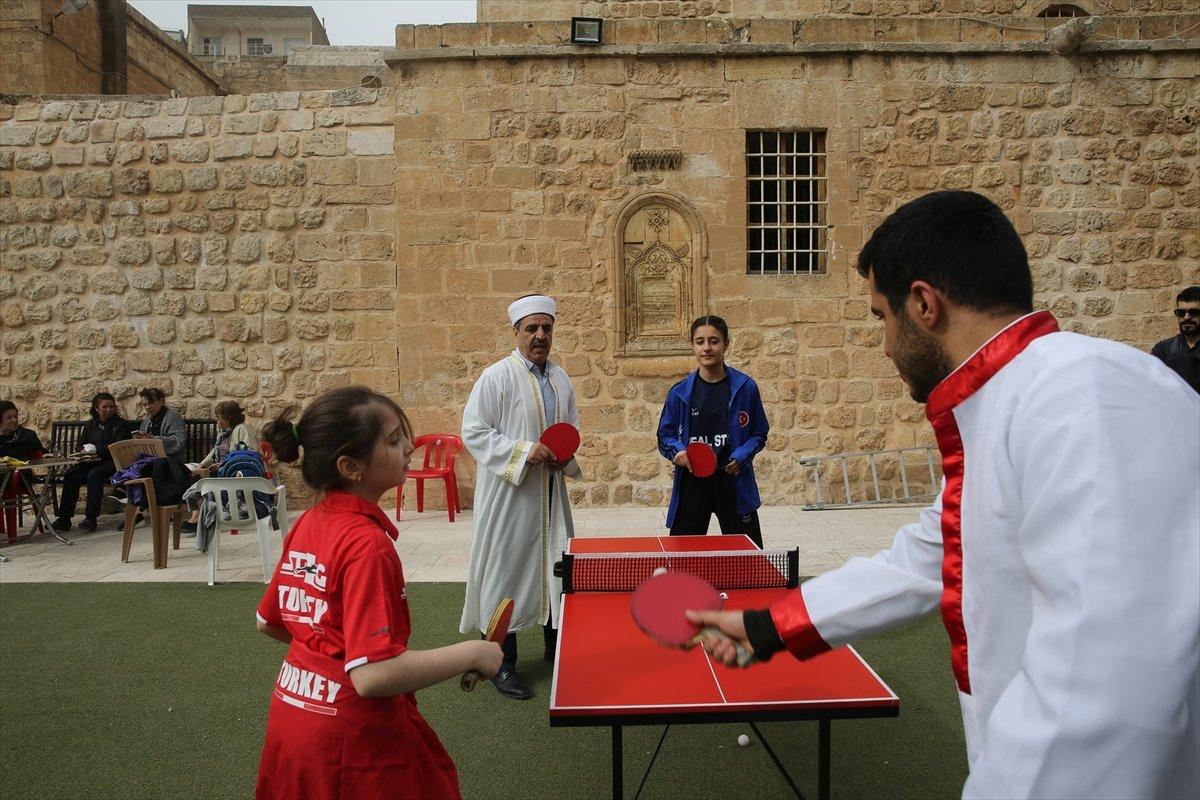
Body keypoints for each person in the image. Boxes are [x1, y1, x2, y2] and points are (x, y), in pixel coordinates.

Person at [688, 191, 1199, 799]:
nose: (884, 346)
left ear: (924, 305)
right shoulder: (1015, 405)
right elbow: (922, 561)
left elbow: (1103, 687)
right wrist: (767, 626)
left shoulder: (1083, 397)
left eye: (882, 318)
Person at [255, 386, 501, 800]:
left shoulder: (309, 522)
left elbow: (269, 621)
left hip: (292, 722)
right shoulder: (367, 546)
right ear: (350, 466)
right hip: (352, 743)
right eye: (392, 440)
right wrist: (474, 653)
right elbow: (372, 676)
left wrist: (328, 656)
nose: (408, 447)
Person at [460, 294, 582, 700]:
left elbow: (570, 430)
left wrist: (564, 457)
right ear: (516, 332)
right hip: (508, 498)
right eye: (531, 328)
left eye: (546, 327)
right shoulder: (496, 377)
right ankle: (501, 663)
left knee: (555, 566)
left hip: (550, 495)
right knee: (506, 573)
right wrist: (523, 451)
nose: (539, 335)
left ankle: (556, 648)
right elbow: (474, 430)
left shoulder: (561, 379)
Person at [657, 316, 769, 548]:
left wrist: (743, 455)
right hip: (692, 482)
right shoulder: (678, 393)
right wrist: (677, 451)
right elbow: (664, 436)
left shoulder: (746, 387)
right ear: (693, 346)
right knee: (683, 560)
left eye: (714, 341)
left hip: (733, 481)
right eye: (700, 342)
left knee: (749, 560)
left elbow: (759, 433)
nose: (706, 347)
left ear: (725, 344)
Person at [53, 392, 136, 532]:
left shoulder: (120, 425)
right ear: (97, 408)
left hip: (112, 462)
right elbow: (80, 444)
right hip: (91, 461)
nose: (109, 409)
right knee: (71, 474)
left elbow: (118, 446)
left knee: (94, 475)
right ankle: (64, 519)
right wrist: (83, 452)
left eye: (111, 406)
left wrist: (97, 450)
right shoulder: (90, 425)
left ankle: (91, 518)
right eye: (105, 407)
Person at [182, 400, 260, 533]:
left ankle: (198, 518)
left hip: (232, 470)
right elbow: (215, 451)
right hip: (219, 467)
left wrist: (222, 465)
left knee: (202, 480)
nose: (217, 420)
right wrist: (201, 465)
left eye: (219, 417)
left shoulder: (242, 429)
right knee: (188, 470)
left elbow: (247, 454)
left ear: (229, 418)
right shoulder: (223, 433)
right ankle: (198, 514)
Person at [1, 400, 45, 541]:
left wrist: (46, 454)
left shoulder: (26, 435)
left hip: (19, 478)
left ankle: (12, 535)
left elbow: (40, 452)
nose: (14, 420)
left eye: (15, 416)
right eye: (9, 418)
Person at [1150, 285, 1200, 393]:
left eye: (1193, 312)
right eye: (1181, 313)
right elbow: (1154, 386)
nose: (1186, 317)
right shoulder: (1163, 349)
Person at [132, 387, 186, 459]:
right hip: (149, 459)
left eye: (151, 403)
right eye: (145, 405)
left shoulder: (173, 417)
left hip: (170, 460)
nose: (147, 407)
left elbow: (179, 441)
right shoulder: (146, 421)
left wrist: (153, 440)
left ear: (161, 401)